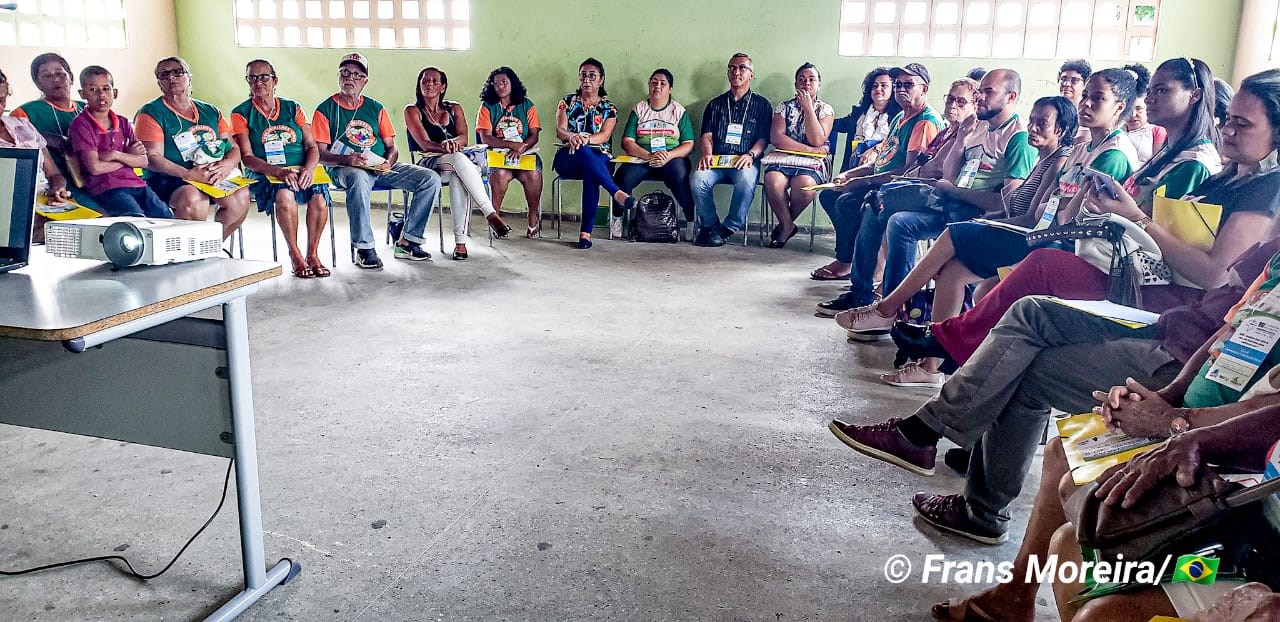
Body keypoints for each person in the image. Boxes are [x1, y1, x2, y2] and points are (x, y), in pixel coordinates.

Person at [828, 69, 1280, 568]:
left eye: (1243, 123)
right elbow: (1227, 312)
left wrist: (1137, 218)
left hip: (1172, 326)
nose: (1229, 129)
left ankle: (956, 470)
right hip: (1174, 320)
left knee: (1031, 339)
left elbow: (1216, 277)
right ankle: (937, 439)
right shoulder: (1224, 178)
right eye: (1229, 119)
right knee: (1027, 312)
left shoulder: (1262, 192)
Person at [897, 59, 1228, 369]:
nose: (1152, 97)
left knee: (1029, 261)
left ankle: (931, 334)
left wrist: (1121, 211)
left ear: (1194, 95)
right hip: (1102, 249)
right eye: (1151, 89)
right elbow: (1052, 206)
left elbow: (1147, 223)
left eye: (1163, 90)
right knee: (965, 268)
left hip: (1137, 273)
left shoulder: (1190, 162)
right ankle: (946, 350)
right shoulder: (1154, 154)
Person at [860, 96, 1078, 388]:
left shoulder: (1058, 161)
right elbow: (1010, 207)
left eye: (1043, 123)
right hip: (1013, 231)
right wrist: (995, 215)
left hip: (1030, 243)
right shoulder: (1041, 159)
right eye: (1033, 120)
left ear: (1061, 130)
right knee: (951, 273)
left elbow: (1031, 221)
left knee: (953, 233)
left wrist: (987, 223)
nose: (1034, 128)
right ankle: (930, 367)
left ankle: (886, 310)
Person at [834, 69, 1038, 340]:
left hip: (976, 213)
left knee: (895, 218)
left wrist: (954, 191)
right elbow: (950, 175)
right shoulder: (978, 128)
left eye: (988, 92)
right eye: (979, 93)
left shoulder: (1018, 138)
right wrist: (961, 140)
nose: (980, 99)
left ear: (1011, 97)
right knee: (892, 216)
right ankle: (884, 305)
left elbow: (1006, 203)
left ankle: (891, 310)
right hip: (951, 203)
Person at [813, 63, 944, 312]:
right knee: (839, 197)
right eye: (898, 85)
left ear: (924, 88)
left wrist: (862, 182)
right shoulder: (900, 117)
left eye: (908, 85)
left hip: (904, 191)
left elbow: (908, 172)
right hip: (884, 186)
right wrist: (851, 173)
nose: (901, 89)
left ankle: (866, 282)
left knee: (858, 205)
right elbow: (881, 161)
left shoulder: (924, 122)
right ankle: (859, 286)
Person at [314, 53, 441, 267]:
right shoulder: (325, 110)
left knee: (430, 179)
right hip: (345, 169)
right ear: (338, 76)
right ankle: (364, 248)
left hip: (380, 167)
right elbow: (320, 153)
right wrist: (347, 159)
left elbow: (392, 147)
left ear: (365, 80)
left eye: (356, 74)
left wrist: (387, 164)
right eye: (345, 73)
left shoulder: (375, 108)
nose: (350, 78)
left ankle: (408, 241)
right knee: (358, 176)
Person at [230, 59, 330, 278]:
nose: (259, 82)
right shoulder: (241, 113)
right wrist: (279, 172)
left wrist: (308, 169)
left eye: (264, 77)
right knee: (285, 196)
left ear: (275, 80)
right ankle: (295, 255)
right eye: (252, 78)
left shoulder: (293, 107)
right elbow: (247, 157)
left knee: (320, 200)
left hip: (301, 168)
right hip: (266, 171)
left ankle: (312, 254)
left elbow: (312, 146)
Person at [135, 56, 250, 241]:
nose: (171, 78)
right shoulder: (151, 113)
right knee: (193, 200)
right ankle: (189, 254)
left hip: (212, 174)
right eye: (164, 75)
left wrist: (226, 166)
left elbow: (233, 148)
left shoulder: (210, 111)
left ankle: (208, 247)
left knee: (241, 195)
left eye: (177, 72)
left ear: (189, 77)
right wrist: (188, 175)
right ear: (159, 83)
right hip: (171, 178)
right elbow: (153, 158)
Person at [405, 66, 511, 261]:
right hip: (429, 162)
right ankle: (490, 213)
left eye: (434, 81)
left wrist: (455, 143)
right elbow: (423, 143)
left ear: (443, 87)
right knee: (459, 160)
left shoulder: (454, 108)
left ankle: (460, 244)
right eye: (424, 80)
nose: (428, 84)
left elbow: (464, 137)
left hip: (454, 164)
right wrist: (445, 146)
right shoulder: (412, 110)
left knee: (458, 174)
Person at [809, 67, 900, 273]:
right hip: (854, 171)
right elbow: (834, 125)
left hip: (878, 177)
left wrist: (876, 149)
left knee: (846, 203)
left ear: (893, 89)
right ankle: (851, 247)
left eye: (884, 85)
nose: (878, 89)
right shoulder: (860, 113)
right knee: (827, 196)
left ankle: (847, 259)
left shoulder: (899, 116)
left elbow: (894, 143)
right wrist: (816, 116)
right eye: (875, 85)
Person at [690, 53, 773, 248]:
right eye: (732, 67)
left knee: (746, 179)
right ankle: (710, 225)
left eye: (742, 68)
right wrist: (707, 154)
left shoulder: (762, 105)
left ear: (751, 75)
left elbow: (763, 138)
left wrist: (751, 154)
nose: (737, 71)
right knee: (697, 179)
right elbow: (707, 135)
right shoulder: (715, 104)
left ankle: (729, 227)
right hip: (717, 161)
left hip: (744, 160)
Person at [553, 57, 636, 250]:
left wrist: (585, 139)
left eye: (592, 76)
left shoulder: (609, 108)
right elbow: (560, 131)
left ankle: (585, 234)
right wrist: (573, 136)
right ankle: (615, 192)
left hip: (600, 158)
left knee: (591, 170)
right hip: (568, 157)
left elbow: (605, 135)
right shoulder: (567, 102)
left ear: (601, 80)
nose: (587, 80)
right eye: (583, 75)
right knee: (583, 154)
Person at [67, 66, 172, 219]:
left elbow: (143, 161)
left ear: (114, 93)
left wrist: (115, 154)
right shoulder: (81, 125)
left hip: (138, 184)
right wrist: (128, 158)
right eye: (93, 90)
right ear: (83, 94)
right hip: (106, 188)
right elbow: (95, 168)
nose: (101, 95)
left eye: (106, 88)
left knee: (166, 217)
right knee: (136, 220)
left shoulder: (122, 122)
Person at [11, 52, 100, 216]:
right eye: (47, 76)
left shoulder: (91, 109)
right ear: (38, 83)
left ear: (71, 77)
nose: (55, 79)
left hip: (98, 180)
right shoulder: (23, 114)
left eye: (60, 73)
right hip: (58, 186)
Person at [612, 68, 696, 235]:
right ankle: (617, 217)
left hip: (671, 158)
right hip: (643, 157)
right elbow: (627, 142)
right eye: (654, 82)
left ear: (670, 89)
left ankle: (691, 220)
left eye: (663, 83)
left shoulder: (678, 111)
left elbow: (689, 144)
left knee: (680, 176)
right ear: (649, 86)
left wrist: (668, 156)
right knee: (622, 177)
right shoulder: (640, 109)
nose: (657, 86)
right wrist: (649, 156)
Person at [762, 62, 835, 248]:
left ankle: (784, 226)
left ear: (819, 84)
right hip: (784, 158)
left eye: (812, 79)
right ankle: (787, 226)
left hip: (812, 164)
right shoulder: (783, 107)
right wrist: (809, 150)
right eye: (801, 80)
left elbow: (817, 140)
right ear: (795, 84)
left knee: (805, 186)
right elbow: (776, 138)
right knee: (772, 180)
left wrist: (809, 108)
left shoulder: (825, 110)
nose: (806, 83)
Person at [476, 66, 543, 238]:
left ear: (513, 83)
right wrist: (511, 146)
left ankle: (533, 219)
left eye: (504, 82)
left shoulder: (527, 105)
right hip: (498, 157)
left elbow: (534, 135)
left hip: (524, 154)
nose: (500, 87)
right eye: (496, 84)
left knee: (533, 175)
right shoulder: (487, 106)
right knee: (499, 176)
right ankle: (495, 219)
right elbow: (485, 137)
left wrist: (522, 148)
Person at [0, 68, 71, 208]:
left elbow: (54, 174)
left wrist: (58, 188)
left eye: (1, 100)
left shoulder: (23, 125)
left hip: (45, 201)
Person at [1124, 63, 1167, 166]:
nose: (1133, 115)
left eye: (1139, 109)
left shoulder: (1157, 130)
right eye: (1128, 110)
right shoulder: (1117, 128)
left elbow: (1157, 165)